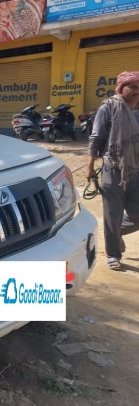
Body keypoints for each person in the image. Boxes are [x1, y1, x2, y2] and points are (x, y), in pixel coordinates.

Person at [87, 71, 139, 270]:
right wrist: (90, 168)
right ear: (121, 88)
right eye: (132, 86)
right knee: (112, 215)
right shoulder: (109, 107)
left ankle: (116, 235)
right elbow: (96, 138)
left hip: (137, 169)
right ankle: (113, 255)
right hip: (113, 168)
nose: (136, 91)